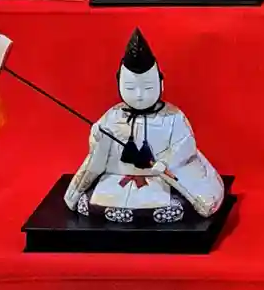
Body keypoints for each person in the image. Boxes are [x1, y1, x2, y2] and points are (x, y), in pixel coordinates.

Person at [63, 31, 225, 227]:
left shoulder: (173, 116)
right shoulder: (113, 116)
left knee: (179, 201)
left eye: (148, 87)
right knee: (93, 202)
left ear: (161, 83)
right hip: (117, 178)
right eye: (131, 88)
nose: (139, 95)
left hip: (161, 177)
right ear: (119, 83)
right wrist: (100, 141)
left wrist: (164, 162)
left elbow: (186, 145)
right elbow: (98, 153)